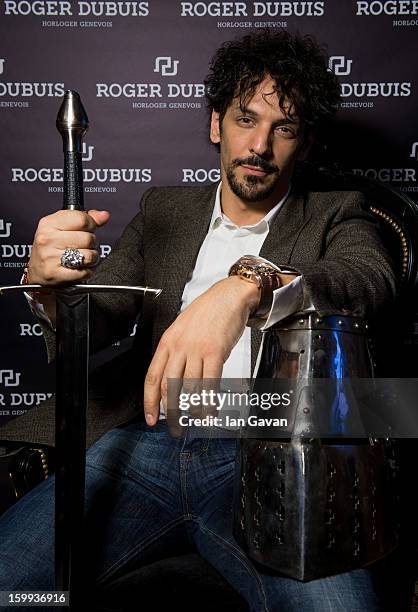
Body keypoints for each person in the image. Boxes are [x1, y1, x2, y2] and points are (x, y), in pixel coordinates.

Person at [0, 30, 397, 611]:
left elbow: (365, 280)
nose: (259, 146)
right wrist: (49, 287)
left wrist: (245, 285)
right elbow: (98, 316)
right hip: (143, 444)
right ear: (216, 124)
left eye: (283, 129)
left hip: (268, 453)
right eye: (245, 119)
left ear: (305, 145)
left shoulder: (339, 211)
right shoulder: (165, 208)